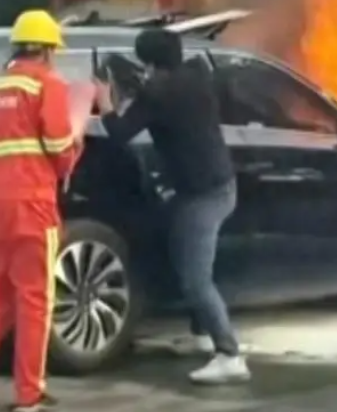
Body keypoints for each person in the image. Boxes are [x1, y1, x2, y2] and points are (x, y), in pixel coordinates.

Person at [93, 28, 249, 385]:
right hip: (217, 186)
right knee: (181, 258)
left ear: (149, 62)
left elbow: (119, 132)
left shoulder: (158, 94)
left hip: (203, 196)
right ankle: (201, 334)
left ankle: (229, 355)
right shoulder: (196, 78)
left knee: (195, 278)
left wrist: (104, 102)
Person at [0, 9, 82, 412]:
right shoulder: (47, 85)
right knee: (34, 300)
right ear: (45, 51)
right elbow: (59, 150)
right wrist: (76, 149)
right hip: (32, 207)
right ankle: (29, 395)